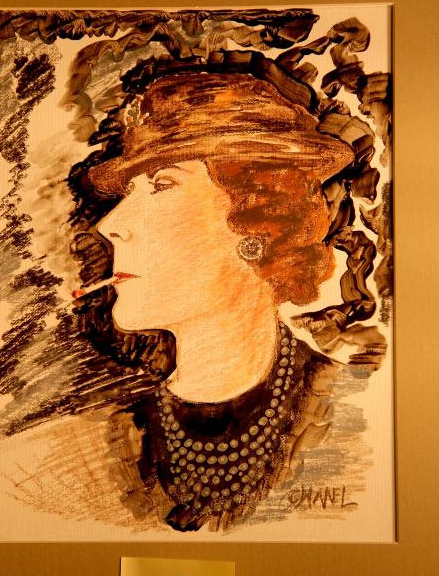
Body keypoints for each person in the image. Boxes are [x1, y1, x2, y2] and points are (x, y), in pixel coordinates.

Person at [70, 57, 380, 532]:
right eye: (128, 192)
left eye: (162, 185)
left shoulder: (361, 424)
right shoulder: (90, 444)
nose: (111, 225)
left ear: (257, 220)